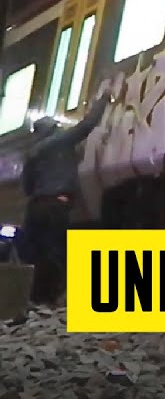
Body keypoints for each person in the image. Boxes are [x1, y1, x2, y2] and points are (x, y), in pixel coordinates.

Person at [20, 85, 113, 305]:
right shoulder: (62, 140)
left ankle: (35, 300)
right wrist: (105, 98)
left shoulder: (32, 153)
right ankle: (59, 298)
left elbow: (27, 187)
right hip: (56, 204)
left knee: (36, 254)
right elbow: (88, 125)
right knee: (57, 252)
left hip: (35, 207)